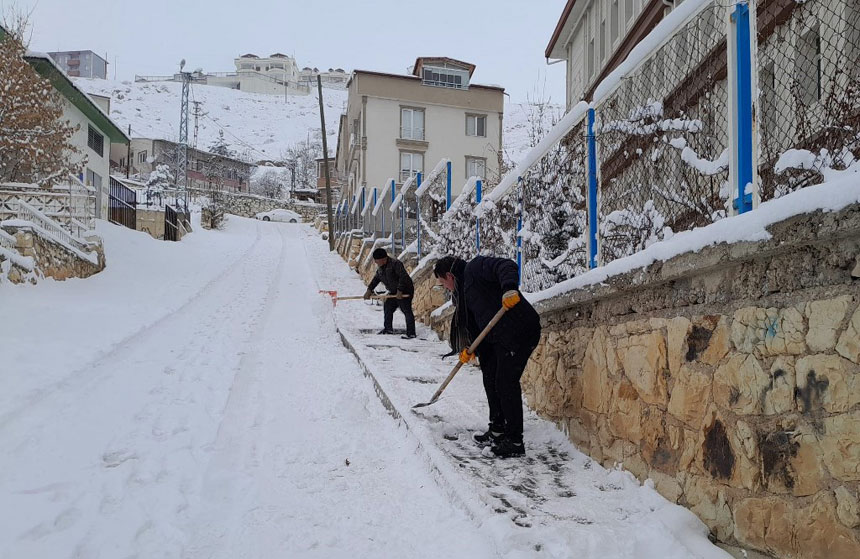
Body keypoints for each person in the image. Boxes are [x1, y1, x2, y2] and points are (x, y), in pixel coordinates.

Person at [433, 254, 541, 458]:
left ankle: (515, 441)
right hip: (497, 338)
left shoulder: (475, 268)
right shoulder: (462, 294)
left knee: (505, 382)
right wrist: (470, 348)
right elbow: (474, 323)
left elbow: (506, 264)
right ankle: (497, 429)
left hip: (520, 330)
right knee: (490, 377)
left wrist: (509, 288)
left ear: (449, 275)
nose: (446, 288)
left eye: (443, 283)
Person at [364, 248, 416, 339]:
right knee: (388, 306)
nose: (375, 262)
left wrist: (400, 290)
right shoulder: (381, 269)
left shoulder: (395, 264)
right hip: (394, 291)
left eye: (377, 260)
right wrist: (369, 290)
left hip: (405, 290)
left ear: (383, 259)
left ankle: (411, 333)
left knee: (406, 310)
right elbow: (376, 279)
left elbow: (403, 277)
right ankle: (388, 329)